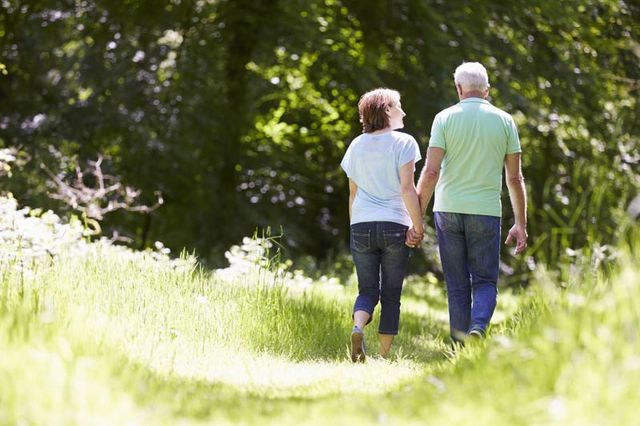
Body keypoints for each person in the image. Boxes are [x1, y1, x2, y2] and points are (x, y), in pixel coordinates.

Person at [409, 62, 528, 344]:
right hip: (486, 212)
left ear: (459, 88)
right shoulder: (505, 121)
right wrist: (520, 223)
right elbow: (515, 178)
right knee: (485, 281)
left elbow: (431, 171)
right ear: (486, 90)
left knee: (457, 284)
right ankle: (477, 328)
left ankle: (459, 346)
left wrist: (415, 216)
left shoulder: (444, 118)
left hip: (448, 210)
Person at [340, 88, 423, 362]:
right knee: (391, 293)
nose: (404, 111)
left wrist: (355, 228)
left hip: (361, 224)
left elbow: (352, 193)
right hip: (393, 225)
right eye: (399, 106)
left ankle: (357, 327)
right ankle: (384, 356)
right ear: (387, 110)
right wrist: (417, 225)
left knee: (366, 290)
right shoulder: (405, 142)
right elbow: (407, 190)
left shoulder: (356, 145)